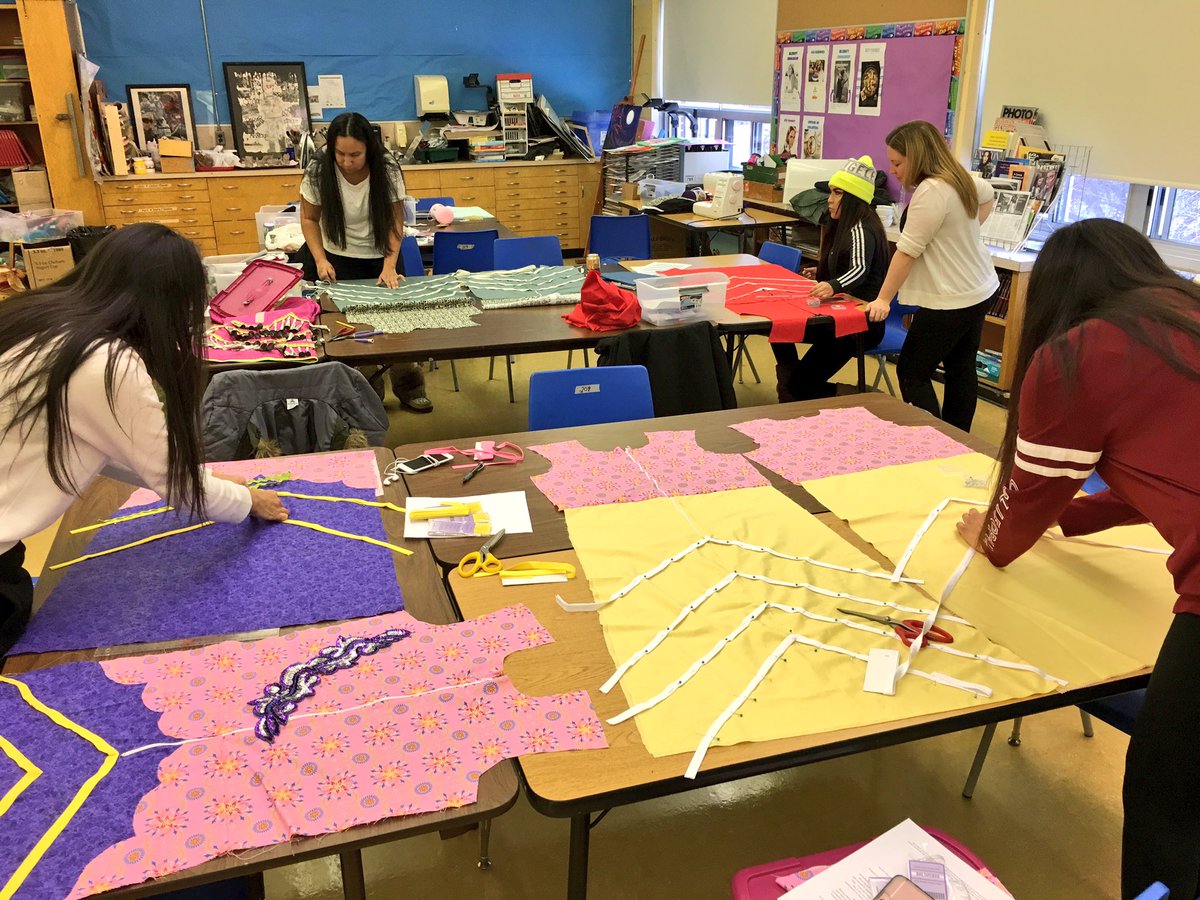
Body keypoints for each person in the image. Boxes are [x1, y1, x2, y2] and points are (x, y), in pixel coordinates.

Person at [955, 219, 1200, 899]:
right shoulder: (1183, 316)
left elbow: (1018, 511)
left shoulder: (1080, 353)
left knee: (1169, 790)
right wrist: (1071, 518)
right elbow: (1161, 474)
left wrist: (992, 533)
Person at [0, 223, 289, 656]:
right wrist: (249, 502)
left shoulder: (39, 316)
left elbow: (111, 444)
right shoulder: (104, 362)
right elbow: (177, 486)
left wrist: (209, 482)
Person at [865, 119, 999, 432]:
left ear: (918, 157)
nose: (894, 171)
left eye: (898, 163)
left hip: (954, 298)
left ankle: (935, 440)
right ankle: (957, 438)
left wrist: (884, 298)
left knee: (912, 370)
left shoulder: (931, 191)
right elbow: (988, 194)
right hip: (980, 287)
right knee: (960, 367)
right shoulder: (957, 178)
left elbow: (907, 251)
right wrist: (963, 233)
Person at [299, 111, 431, 413]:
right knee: (355, 331)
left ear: (368, 149)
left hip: (381, 257)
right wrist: (320, 259)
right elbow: (308, 218)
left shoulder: (386, 168)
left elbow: (395, 222)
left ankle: (410, 387)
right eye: (341, 154)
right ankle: (370, 394)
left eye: (355, 155)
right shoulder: (319, 168)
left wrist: (389, 265)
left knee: (397, 327)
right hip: (337, 259)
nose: (347, 161)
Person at [772, 156, 889, 401]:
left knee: (799, 382)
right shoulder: (842, 225)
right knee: (778, 329)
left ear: (853, 198)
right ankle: (792, 390)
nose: (830, 199)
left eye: (837, 193)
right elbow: (846, 265)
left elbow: (859, 270)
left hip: (858, 325)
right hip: (836, 315)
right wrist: (823, 274)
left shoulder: (861, 228)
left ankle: (856, 396)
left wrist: (832, 284)